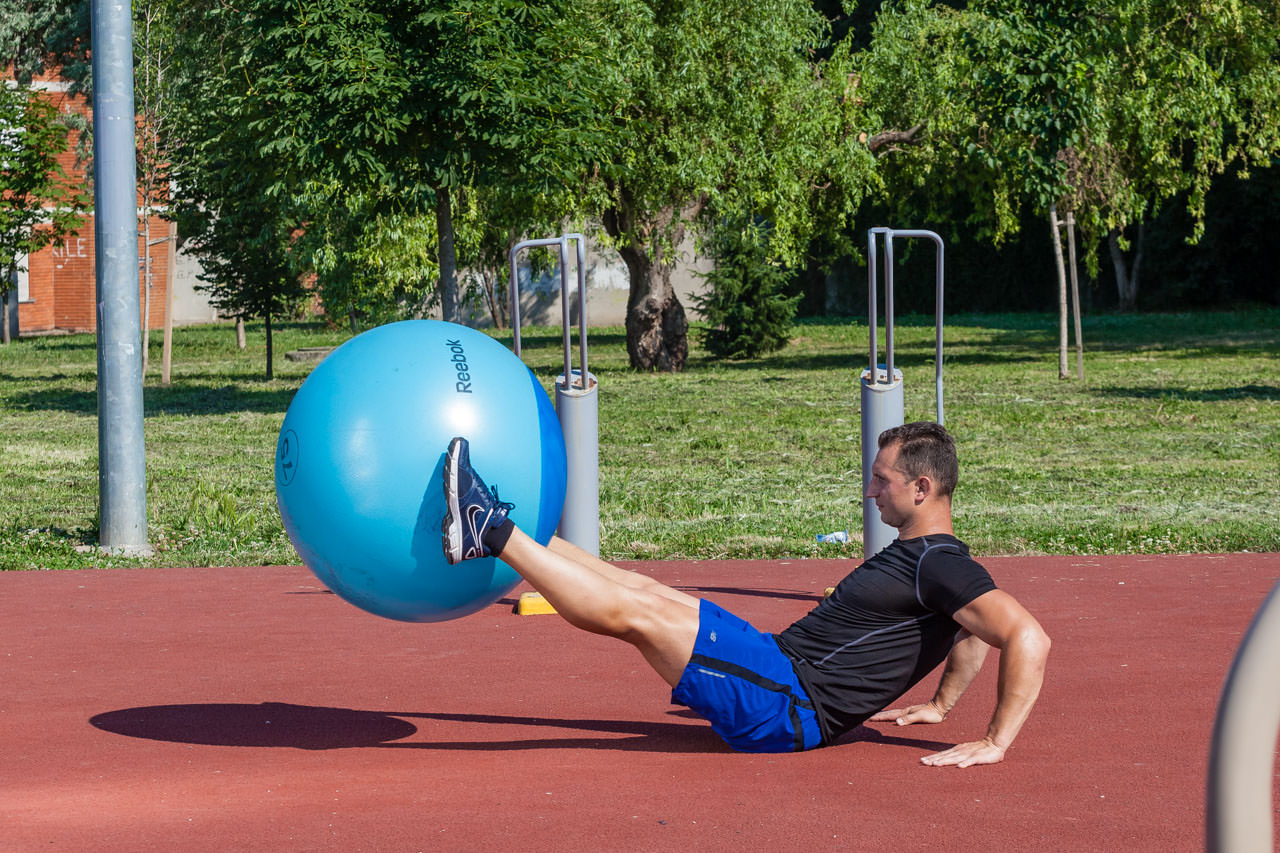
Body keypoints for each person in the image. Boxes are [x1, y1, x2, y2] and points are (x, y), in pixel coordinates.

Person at [440, 421, 1050, 765]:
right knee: (647, 589)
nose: (870, 491)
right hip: (774, 667)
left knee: (637, 615)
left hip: (784, 704)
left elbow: (1025, 636)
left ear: (921, 487)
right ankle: (521, 527)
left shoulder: (940, 563)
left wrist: (995, 741)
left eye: (881, 480)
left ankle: (488, 530)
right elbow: (971, 629)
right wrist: (940, 707)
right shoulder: (935, 566)